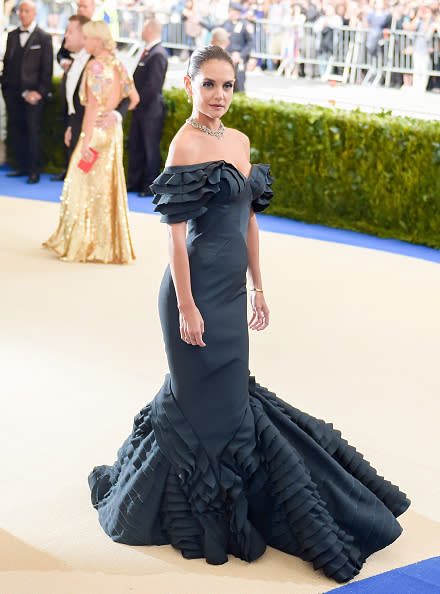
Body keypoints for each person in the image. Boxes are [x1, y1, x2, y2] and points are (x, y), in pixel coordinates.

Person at [88, 45, 410, 583]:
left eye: (227, 86)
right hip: (191, 295)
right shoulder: (183, 145)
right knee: (199, 406)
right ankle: (186, 513)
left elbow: (250, 223)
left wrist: (259, 286)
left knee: (233, 400)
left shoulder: (239, 142)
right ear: (189, 84)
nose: (219, 96)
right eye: (208, 85)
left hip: (232, 294)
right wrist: (188, 306)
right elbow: (173, 242)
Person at [43, 21, 139, 264]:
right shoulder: (118, 63)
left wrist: (84, 142)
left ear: (97, 40)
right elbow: (134, 98)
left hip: (94, 132)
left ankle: (84, 244)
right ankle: (105, 244)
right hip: (112, 132)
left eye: (87, 38)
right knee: (104, 187)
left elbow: (92, 107)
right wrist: (116, 114)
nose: (84, 42)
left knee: (80, 185)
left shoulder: (95, 67)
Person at [52, 14, 130, 182]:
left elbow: (127, 97)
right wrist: (71, 125)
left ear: (86, 36)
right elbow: (75, 100)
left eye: (70, 31)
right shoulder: (79, 61)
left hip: (93, 132)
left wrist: (116, 116)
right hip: (78, 127)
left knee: (88, 184)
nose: (66, 35)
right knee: (85, 183)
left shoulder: (98, 64)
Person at [1, 0, 53, 184]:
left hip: (33, 95)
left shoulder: (44, 37)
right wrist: (5, 87)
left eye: (26, 11)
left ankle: (34, 170)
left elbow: (47, 69)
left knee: (33, 131)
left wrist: (39, 92)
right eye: (20, 11)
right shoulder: (12, 35)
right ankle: (22, 167)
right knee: (17, 129)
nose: (22, 14)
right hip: (12, 92)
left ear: (34, 13)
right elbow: (8, 62)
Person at [127, 18, 169, 196]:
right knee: (136, 146)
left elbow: (153, 86)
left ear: (150, 30)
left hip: (150, 110)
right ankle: (134, 183)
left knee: (149, 148)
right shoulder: (149, 52)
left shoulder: (158, 53)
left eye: (143, 28)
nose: (141, 32)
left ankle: (149, 186)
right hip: (140, 109)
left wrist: (137, 100)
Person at [222, 2, 254, 92]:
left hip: (239, 58)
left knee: (239, 83)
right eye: (232, 12)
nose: (233, 14)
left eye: (236, 12)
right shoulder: (226, 23)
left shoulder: (245, 24)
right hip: (227, 56)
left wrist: (241, 55)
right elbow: (214, 28)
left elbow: (250, 42)